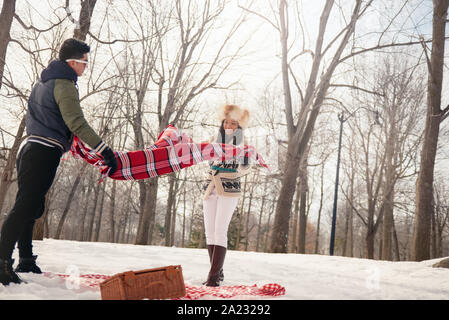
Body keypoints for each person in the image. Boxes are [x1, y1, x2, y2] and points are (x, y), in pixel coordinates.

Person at [0, 38, 118, 286]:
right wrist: (104, 150)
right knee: (25, 206)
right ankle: (1, 261)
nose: (86, 67)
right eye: (85, 62)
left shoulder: (42, 82)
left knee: (31, 206)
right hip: (43, 151)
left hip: (30, 147)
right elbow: (76, 122)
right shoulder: (64, 84)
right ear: (72, 62)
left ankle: (25, 259)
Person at [202, 104, 251, 287]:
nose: (229, 126)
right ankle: (217, 273)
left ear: (239, 126)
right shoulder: (213, 140)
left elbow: (245, 167)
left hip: (229, 188)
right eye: (226, 122)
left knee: (220, 231)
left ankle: (213, 277)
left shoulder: (242, 144)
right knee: (210, 233)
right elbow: (206, 158)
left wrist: (245, 158)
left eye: (233, 123)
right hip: (210, 187)